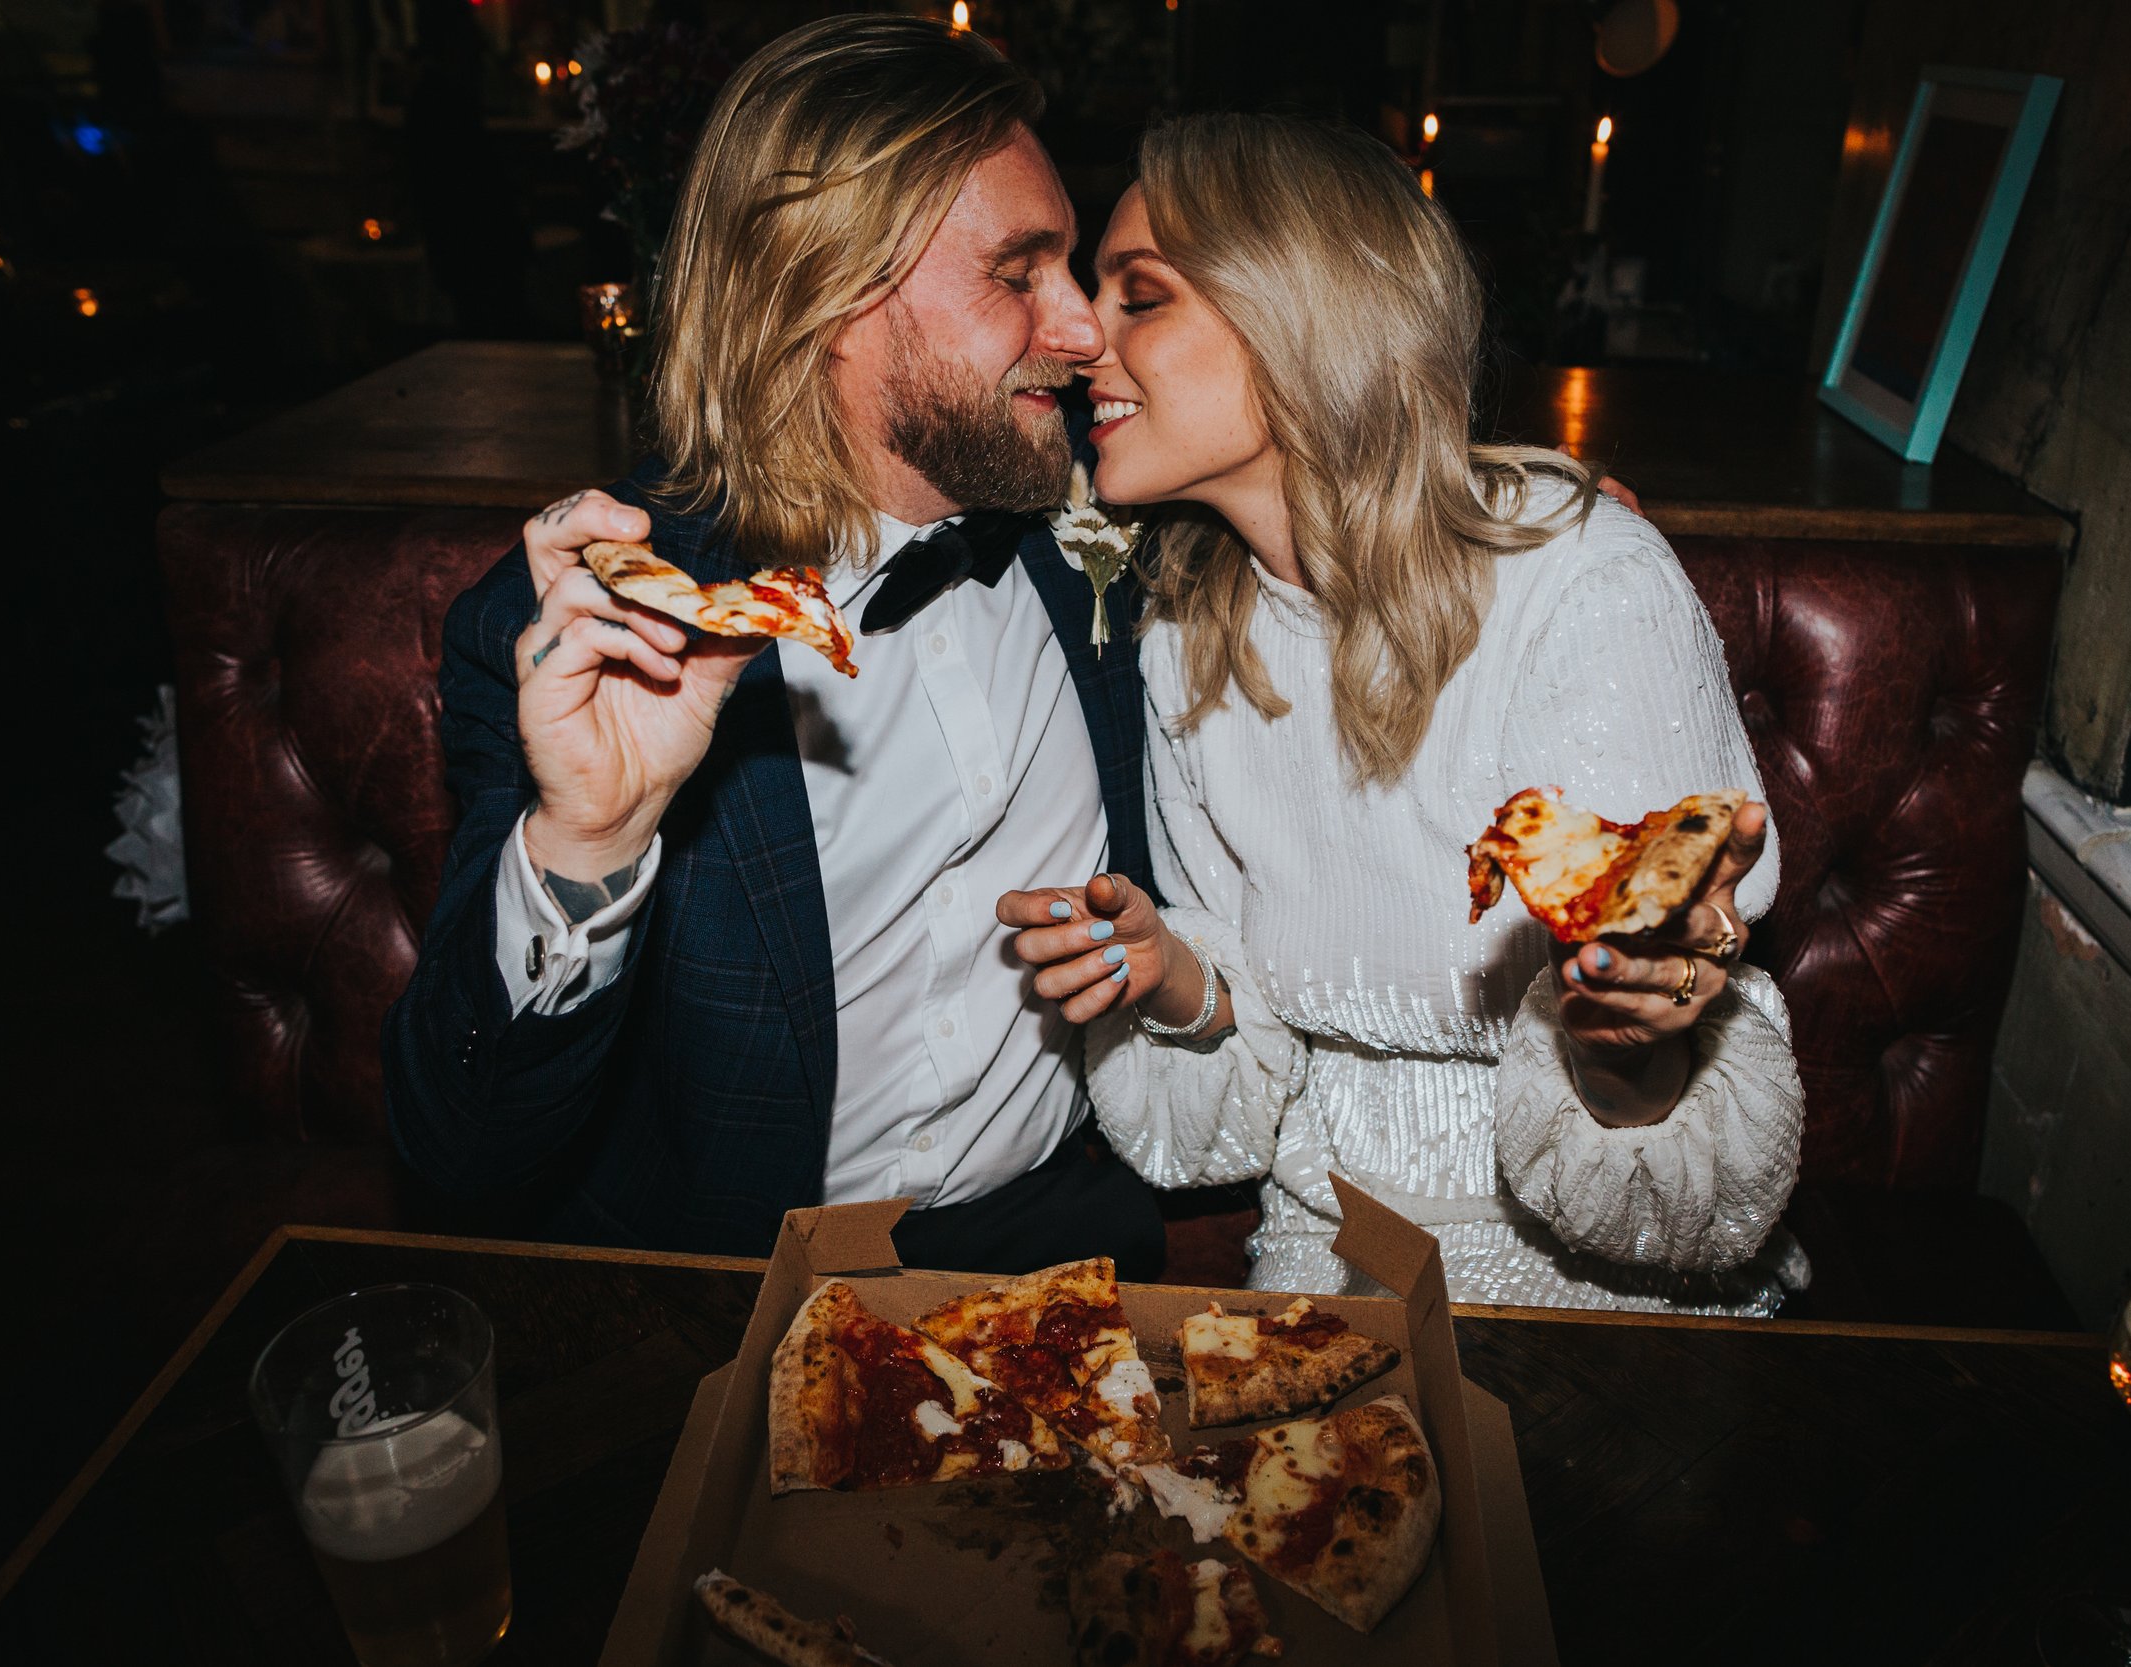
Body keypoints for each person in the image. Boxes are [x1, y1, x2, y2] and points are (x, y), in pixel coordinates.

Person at [382, 15, 1170, 1276]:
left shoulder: (1106, 515)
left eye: (1069, 269)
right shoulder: (589, 631)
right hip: (741, 1292)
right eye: (1019, 273)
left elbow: (1325, 482)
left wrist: (1529, 525)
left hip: (1071, 1240)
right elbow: (458, 1151)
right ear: (825, 294)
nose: (1084, 331)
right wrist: (589, 844)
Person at [999, 115, 1809, 1312]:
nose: (1081, 343)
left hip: (1613, 1288)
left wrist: (1629, 1046)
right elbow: (1245, 1042)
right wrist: (1170, 974)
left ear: (1296, 314)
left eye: (1141, 298)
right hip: (1322, 1254)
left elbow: (1673, 1043)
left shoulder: (1580, 580)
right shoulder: (1188, 629)